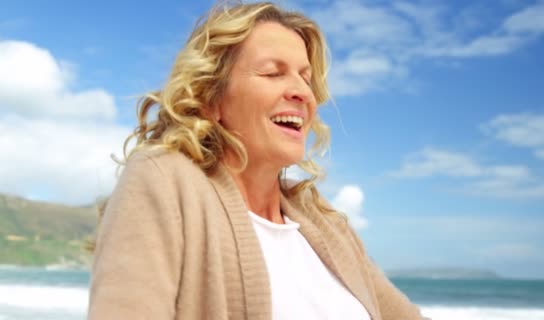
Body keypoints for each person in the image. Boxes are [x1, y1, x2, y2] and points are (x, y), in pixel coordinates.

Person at [88, 2, 429, 319]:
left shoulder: (325, 222)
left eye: (305, 78)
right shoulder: (163, 181)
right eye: (272, 73)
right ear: (211, 99)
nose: (303, 93)